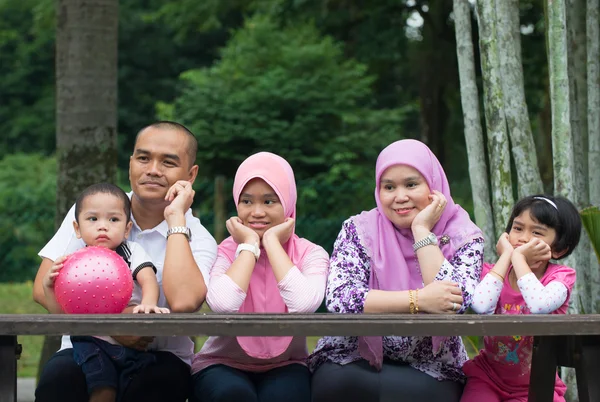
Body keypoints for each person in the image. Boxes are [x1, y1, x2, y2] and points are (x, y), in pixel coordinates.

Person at [33, 121, 218, 402]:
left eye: (168, 162)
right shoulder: (95, 211)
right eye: (143, 158)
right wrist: (112, 328)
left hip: (162, 356)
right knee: (59, 381)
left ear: (190, 175)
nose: (153, 169)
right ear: (131, 163)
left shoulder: (199, 238)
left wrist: (176, 218)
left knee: (157, 388)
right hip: (84, 346)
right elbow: (42, 286)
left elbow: (183, 303)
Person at [309, 139, 484, 402]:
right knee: (338, 385)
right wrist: (419, 300)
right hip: (352, 353)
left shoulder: (463, 236)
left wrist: (422, 232)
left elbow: (454, 302)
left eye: (411, 184)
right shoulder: (359, 230)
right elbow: (340, 297)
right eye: (388, 187)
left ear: (433, 186)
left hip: (432, 365)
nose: (399, 197)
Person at [190, 152, 329, 402]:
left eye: (268, 202)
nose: (256, 212)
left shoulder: (311, 254)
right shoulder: (223, 252)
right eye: (246, 201)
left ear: (287, 203)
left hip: (287, 364)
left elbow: (305, 305)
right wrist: (250, 245)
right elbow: (222, 305)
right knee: (233, 395)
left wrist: (273, 243)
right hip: (220, 363)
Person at [42, 183, 170, 402]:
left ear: (127, 228)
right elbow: (62, 309)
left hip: (132, 340)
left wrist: (148, 303)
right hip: (89, 341)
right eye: (93, 219)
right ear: (77, 228)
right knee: (103, 390)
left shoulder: (132, 251)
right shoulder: (71, 261)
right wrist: (48, 284)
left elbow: (148, 279)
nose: (103, 227)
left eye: (113, 220)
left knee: (142, 384)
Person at [461, 195, 582, 402]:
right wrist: (507, 257)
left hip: (537, 381)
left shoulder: (560, 278)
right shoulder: (495, 275)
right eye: (517, 228)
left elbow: (538, 304)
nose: (523, 238)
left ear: (559, 248)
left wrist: (518, 258)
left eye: (536, 232)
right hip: (488, 377)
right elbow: (480, 305)